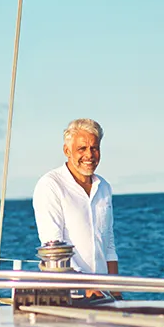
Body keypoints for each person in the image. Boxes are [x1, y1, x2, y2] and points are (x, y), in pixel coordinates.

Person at [32, 118, 118, 276]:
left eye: (94, 148)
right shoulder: (50, 185)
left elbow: (109, 244)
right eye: (82, 148)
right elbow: (53, 248)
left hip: (102, 291)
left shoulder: (104, 187)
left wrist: (115, 290)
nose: (89, 155)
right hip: (68, 290)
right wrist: (86, 286)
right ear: (67, 151)